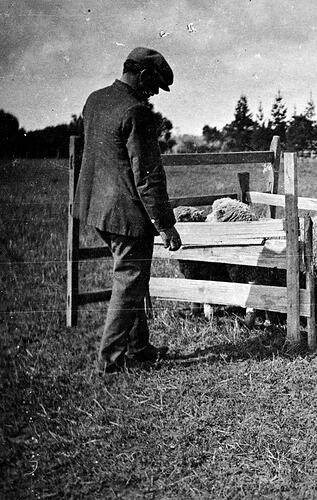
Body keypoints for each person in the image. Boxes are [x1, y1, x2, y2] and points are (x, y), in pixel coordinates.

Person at [74, 47, 182, 373]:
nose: (153, 94)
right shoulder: (137, 111)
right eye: (154, 86)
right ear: (143, 74)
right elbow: (148, 175)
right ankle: (110, 360)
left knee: (133, 280)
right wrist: (166, 225)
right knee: (130, 280)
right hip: (125, 215)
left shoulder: (94, 99)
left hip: (94, 208)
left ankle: (140, 348)